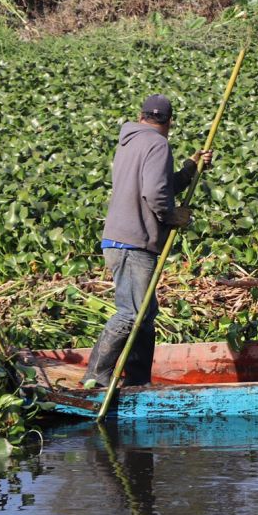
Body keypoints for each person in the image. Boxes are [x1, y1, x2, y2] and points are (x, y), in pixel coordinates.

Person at [82, 95, 211, 388]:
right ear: (169, 123)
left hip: (118, 239)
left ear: (141, 116)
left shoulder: (129, 142)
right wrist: (171, 215)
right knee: (131, 313)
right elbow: (155, 194)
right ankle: (95, 376)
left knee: (145, 314)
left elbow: (159, 185)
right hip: (135, 241)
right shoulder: (158, 144)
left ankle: (138, 381)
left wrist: (191, 167)